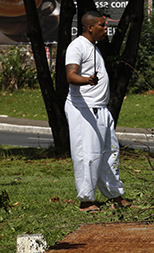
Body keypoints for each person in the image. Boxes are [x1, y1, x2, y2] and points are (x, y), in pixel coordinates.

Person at [65, 11, 130, 212]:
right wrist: (87, 80)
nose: (106, 28)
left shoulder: (93, 47)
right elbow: (70, 75)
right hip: (84, 108)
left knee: (110, 152)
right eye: (102, 25)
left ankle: (115, 194)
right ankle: (86, 200)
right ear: (90, 27)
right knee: (87, 153)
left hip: (100, 108)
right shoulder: (77, 46)